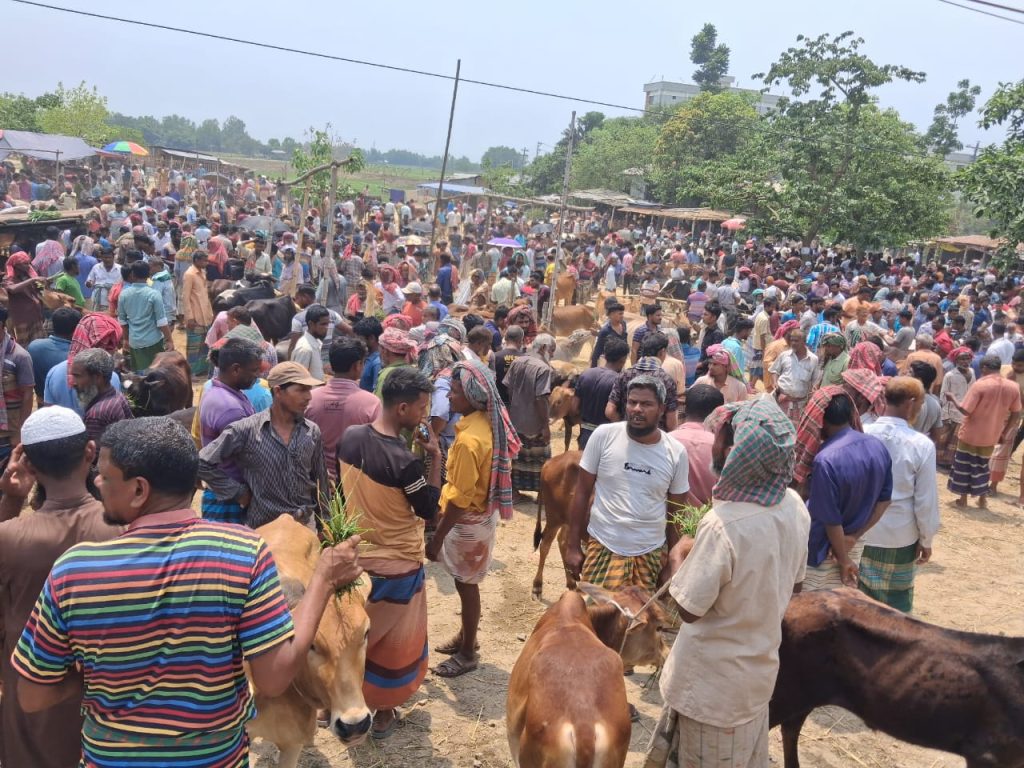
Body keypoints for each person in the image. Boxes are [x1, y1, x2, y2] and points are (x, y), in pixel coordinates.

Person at [11, 417, 363, 767]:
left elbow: (32, 694)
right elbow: (273, 679)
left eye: (105, 475)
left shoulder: (73, 570)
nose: (97, 483)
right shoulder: (243, 553)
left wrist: (95, 670)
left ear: (139, 490)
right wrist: (323, 580)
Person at [646, 398, 810, 768]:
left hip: (709, 689)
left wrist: (678, 556)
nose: (713, 445)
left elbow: (687, 609)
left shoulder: (724, 525)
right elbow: (794, 587)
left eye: (720, 438)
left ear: (740, 452)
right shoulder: (795, 506)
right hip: (755, 679)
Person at [0, 407, 121, 768]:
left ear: (30, 467)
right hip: (110, 684)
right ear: (90, 452)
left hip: (31, 684)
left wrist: (11, 499)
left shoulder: (10, 536)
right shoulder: (125, 530)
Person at [337, 368, 441, 738]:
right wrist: (436, 457)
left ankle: (342, 703)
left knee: (353, 639)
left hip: (354, 562)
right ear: (402, 408)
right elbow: (428, 509)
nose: (424, 415)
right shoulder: (405, 461)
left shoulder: (349, 438)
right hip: (397, 566)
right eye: (421, 407)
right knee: (391, 645)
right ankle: (383, 711)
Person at [426, 360, 520, 678]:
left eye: (454, 392)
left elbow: (459, 499)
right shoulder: (481, 423)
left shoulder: (468, 441)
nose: (449, 398)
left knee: (466, 586)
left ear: (471, 396)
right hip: (480, 519)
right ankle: (467, 637)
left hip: (467, 524)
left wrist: (437, 537)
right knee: (465, 583)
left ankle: (467, 653)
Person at [565, 375, 692, 594]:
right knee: (596, 620)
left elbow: (675, 514)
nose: (637, 409)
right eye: (632, 402)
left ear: (661, 409)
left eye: (646, 404)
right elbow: (582, 492)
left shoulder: (676, 452)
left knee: (637, 624)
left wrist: (671, 562)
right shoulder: (604, 436)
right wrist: (573, 545)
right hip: (602, 546)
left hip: (648, 554)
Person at [199, 362, 329, 528]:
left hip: (304, 527)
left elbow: (321, 482)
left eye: (309, 390)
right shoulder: (246, 430)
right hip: (263, 530)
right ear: (278, 391)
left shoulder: (311, 431)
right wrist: (238, 492)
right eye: (301, 390)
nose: (309, 397)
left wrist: (325, 524)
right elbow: (202, 462)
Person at [861, 377, 940, 612]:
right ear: (911, 403)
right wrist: (926, 539)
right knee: (894, 604)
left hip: (860, 531)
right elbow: (926, 501)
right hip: (899, 535)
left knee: (859, 602)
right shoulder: (921, 444)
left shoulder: (862, 432)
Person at [802, 390, 892, 590]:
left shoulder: (825, 460)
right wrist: (854, 537)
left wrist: (843, 558)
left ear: (820, 420)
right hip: (854, 544)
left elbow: (830, 518)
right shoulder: (877, 446)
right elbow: (885, 501)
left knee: (815, 608)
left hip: (825, 551)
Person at [197, 338, 263, 524]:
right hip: (230, 500)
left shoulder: (222, 393)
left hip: (223, 494)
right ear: (236, 369)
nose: (258, 376)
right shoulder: (230, 409)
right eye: (254, 370)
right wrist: (239, 492)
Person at [946, 354, 1022, 509]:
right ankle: (982, 499)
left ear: (984, 368)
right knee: (982, 466)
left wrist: (952, 397)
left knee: (964, 465)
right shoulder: (1012, 387)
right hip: (992, 435)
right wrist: (1004, 432)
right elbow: (1016, 413)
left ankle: (963, 500)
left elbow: (965, 411)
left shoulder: (980, 384)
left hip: (971, 434)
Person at [306, 337, 382, 483]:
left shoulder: (310, 399)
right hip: (356, 484)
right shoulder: (371, 403)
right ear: (357, 366)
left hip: (317, 480)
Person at [43, 313, 125, 417]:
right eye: (112, 344)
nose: (115, 349)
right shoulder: (110, 378)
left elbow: (48, 415)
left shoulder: (54, 373)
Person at [503, 334, 554, 497]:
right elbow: (541, 398)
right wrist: (545, 425)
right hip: (535, 422)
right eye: (551, 351)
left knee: (517, 459)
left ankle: (515, 492)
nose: (552, 355)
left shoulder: (517, 361)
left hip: (516, 419)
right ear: (544, 348)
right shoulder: (544, 369)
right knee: (541, 459)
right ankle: (541, 494)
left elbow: (508, 387)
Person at [606, 333, 680, 431]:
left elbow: (610, 411)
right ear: (662, 352)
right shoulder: (666, 380)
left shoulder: (625, 374)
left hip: (627, 437)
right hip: (653, 441)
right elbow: (671, 424)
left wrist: (624, 428)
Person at [668, 383, 724, 505]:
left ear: (685, 408)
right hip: (710, 518)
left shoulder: (666, 442)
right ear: (718, 414)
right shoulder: (721, 446)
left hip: (670, 519)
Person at [118, 261, 174, 373]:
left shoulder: (123, 294)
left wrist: (125, 339)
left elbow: (123, 321)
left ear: (132, 275)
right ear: (149, 275)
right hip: (153, 340)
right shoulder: (153, 294)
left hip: (134, 341)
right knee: (156, 373)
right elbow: (162, 322)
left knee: (139, 374)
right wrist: (169, 340)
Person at [575, 337, 629, 449]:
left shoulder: (585, 374)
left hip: (585, 435)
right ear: (623, 360)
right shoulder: (620, 380)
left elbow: (574, 406)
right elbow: (613, 413)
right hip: (608, 437)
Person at [71, 348, 133, 444]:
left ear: (97, 377)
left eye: (77, 376)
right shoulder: (117, 395)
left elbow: (94, 456)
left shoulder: (96, 415)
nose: (73, 383)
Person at [0, 306, 35, 464]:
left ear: (2, 325)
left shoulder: (19, 356)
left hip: (8, 431)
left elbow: (28, 395)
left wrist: (20, 432)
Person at [27, 306, 80, 404]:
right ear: (76, 330)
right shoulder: (78, 356)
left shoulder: (34, 347)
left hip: (42, 401)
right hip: (69, 406)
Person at [938, 346, 976, 467]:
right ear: (956, 361)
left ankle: (951, 463)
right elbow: (943, 395)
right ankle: (941, 462)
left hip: (965, 411)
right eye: (962, 359)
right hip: (951, 412)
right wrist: (945, 415)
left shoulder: (972, 372)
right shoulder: (950, 375)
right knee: (945, 439)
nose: (965, 362)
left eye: (967, 359)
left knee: (958, 441)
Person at [770, 329, 817, 425]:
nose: (793, 343)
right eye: (792, 340)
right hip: (782, 400)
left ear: (804, 341)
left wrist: (814, 390)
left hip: (800, 404)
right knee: (779, 425)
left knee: (796, 429)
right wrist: (775, 382)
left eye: (796, 340)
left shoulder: (813, 359)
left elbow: (815, 380)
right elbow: (774, 370)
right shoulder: (784, 355)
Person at [182, 251, 214, 376]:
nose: (206, 263)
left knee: (204, 344)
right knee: (193, 346)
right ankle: (191, 372)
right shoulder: (189, 274)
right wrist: (189, 317)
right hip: (195, 316)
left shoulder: (202, 273)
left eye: (207, 260)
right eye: (204, 261)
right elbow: (185, 297)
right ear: (196, 260)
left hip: (205, 314)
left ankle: (201, 369)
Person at [374, 327, 417, 398]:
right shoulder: (414, 371)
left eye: (380, 348)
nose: (379, 352)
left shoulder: (386, 374)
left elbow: (379, 404)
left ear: (385, 351)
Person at [291, 304, 330, 382]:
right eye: (323, 324)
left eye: (327, 324)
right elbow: (299, 380)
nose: (327, 328)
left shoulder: (317, 342)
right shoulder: (305, 349)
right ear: (311, 324)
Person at [491, 324, 524, 407]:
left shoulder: (494, 357)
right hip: (519, 406)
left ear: (505, 338)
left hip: (499, 405)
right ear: (521, 340)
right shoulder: (527, 359)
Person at [591, 301, 628, 367]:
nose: (622, 316)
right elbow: (597, 351)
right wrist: (593, 368)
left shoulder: (623, 324)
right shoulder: (605, 331)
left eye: (622, 314)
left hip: (621, 362)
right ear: (611, 315)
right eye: (620, 314)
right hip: (608, 363)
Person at [354, 316, 384, 392]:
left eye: (360, 339)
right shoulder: (366, 357)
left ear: (371, 338)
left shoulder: (377, 363)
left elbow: (376, 392)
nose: (356, 342)